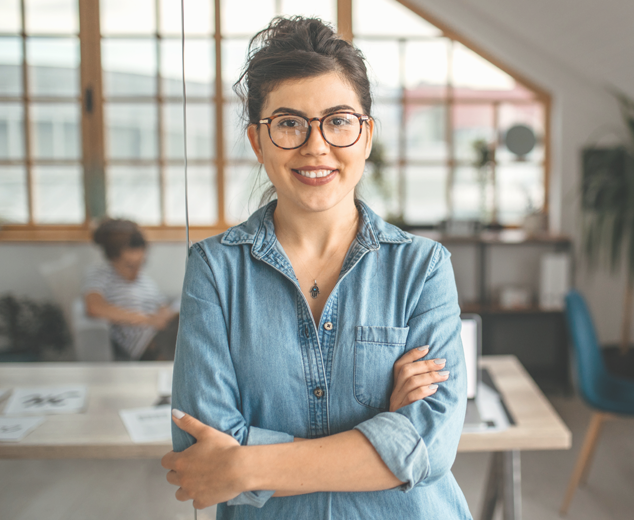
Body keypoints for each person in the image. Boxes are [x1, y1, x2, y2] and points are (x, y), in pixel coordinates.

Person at [161, 16, 471, 519]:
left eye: (339, 120)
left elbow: (430, 447)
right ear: (258, 142)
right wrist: (385, 433)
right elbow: (202, 455)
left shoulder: (423, 267)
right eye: (288, 123)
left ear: (366, 136)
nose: (316, 145)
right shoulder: (214, 271)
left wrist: (245, 465)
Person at [83, 219, 179, 361]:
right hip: (147, 344)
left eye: (141, 263)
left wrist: (165, 314)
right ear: (113, 258)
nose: (136, 271)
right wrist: (147, 320)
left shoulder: (144, 280)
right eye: (129, 265)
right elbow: (94, 307)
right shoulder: (101, 275)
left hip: (164, 332)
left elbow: (162, 305)